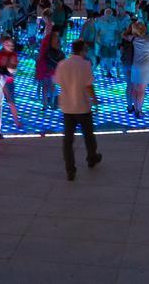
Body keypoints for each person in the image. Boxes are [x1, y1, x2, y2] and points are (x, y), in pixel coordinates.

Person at [55, 39, 101, 181]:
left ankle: (70, 169)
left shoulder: (62, 64)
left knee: (68, 140)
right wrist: (94, 100)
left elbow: (58, 82)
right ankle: (91, 157)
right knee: (88, 135)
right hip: (82, 106)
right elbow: (88, 85)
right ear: (83, 50)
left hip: (67, 107)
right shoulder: (85, 64)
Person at [0, 37, 22, 127]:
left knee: (11, 101)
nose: (10, 46)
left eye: (12, 45)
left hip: (8, 81)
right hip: (0, 80)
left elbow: (13, 70)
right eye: (8, 44)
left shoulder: (13, 55)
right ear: (3, 45)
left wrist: (11, 70)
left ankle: (16, 121)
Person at [127, 22, 149, 118]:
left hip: (135, 66)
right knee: (142, 90)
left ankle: (136, 109)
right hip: (146, 68)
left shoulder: (134, 39)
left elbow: (123, 35)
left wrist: (130, 29)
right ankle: (139, 110)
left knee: (135, 89)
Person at [35, 25, 63, 110]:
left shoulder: (46, 37)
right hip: (51, 64)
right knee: (52, 85)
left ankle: (45, 105)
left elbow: (41, 50)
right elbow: (56, 49)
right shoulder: (55, 38)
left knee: (44, 86)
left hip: (42, 64)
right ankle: (52, 102)